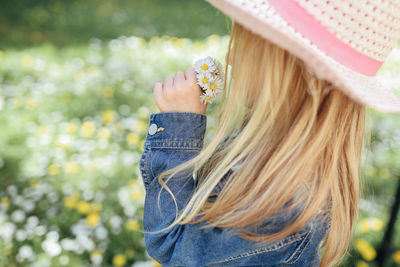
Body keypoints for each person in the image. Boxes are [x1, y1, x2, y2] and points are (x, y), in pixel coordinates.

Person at [139, 1, 400, 266]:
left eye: (248, 44)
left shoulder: (282, 205)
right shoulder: (278, 158)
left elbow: (174, 247)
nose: (230, 59)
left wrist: (179, 128)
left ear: (299, 73)